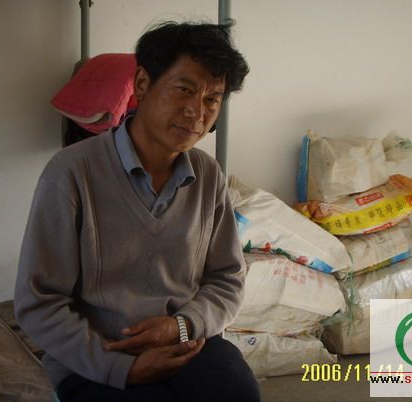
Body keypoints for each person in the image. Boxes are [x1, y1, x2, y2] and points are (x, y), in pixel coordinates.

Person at [14, 21, 259, 402]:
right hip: (96, 355)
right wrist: (120, 368)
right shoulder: (71, 172)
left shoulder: (208, 174)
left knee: (237, 393)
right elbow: (39, 303)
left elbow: (227, 278)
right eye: (184, 89)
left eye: (213, 98)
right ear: (142, 85)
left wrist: (181, 326)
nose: (197, 112)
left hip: (185, 341)